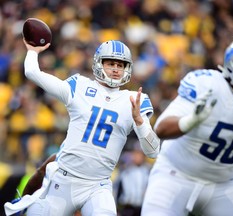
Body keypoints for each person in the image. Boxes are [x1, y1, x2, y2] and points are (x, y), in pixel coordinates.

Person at [5, 39, 160, 216]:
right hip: (64, 179)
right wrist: (33, 51)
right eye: (110, 63)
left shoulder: (134, 99)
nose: (116, 69)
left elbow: (153, 152)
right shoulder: (79, 86)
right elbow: (32, 72)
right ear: (98, 63)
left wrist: (139, 122)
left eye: (121, 64)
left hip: (98, 185)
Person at [141, 37, 233, 216]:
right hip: (175, 175)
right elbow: (161, 129)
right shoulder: (208, 85)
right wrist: (190, 121)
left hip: (223, 184)